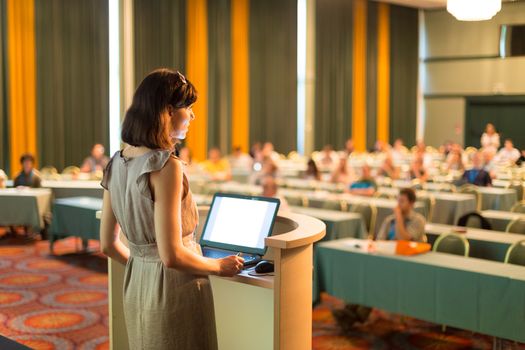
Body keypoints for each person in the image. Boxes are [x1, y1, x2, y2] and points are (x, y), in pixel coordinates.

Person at [99, 69, 243, 350]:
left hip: (137, 282)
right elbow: (172, 255)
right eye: (187, 108)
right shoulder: (166, 166)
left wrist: (142, 264)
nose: (192, 116)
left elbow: (107, 244)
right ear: (167, 112)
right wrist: (219, 266)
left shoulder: (116, 162)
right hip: (176, 288)